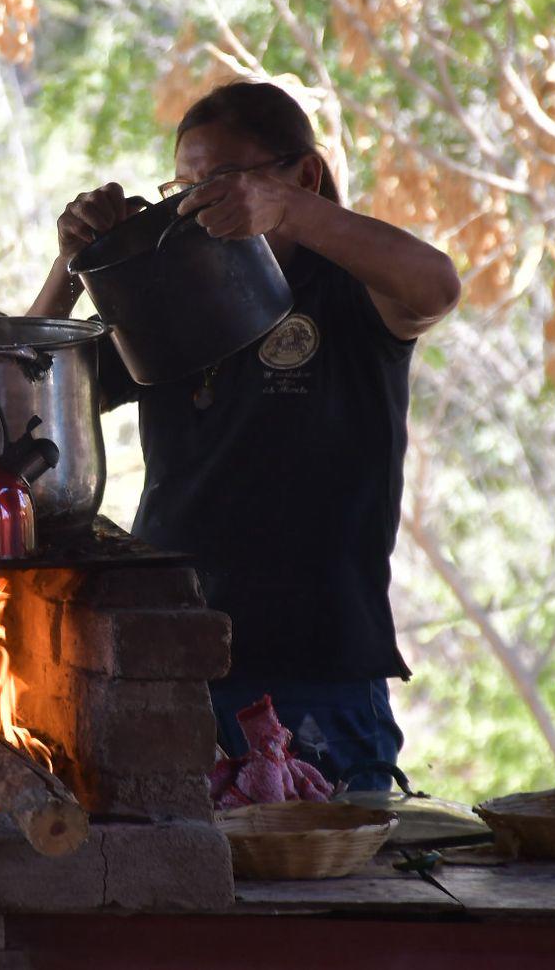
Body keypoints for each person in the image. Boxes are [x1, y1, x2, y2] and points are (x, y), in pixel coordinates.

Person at [28, 81, 460, 790]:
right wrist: (70, 268)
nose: (199, 202)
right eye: (186, 185)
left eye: (224, 180)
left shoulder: (349, 291)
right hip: (173, 651)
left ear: (305, 173)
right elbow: (33, 400)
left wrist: (287, 211)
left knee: (321, 879)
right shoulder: (171, 293)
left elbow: (437, 286)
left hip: (319, 663)